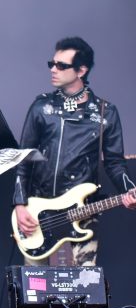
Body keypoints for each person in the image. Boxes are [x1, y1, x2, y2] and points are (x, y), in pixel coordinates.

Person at [13, 37, 136, 266]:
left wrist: (129, 191)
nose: (53, 69)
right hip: (38, 212)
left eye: (61, 65)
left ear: (81, 70)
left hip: (84, 210)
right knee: (35, 283)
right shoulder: (42, 107)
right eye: (51, 63)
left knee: (86, 282)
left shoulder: (105, 112)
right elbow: (24, 159)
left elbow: (114, 163)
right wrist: (19, 205)